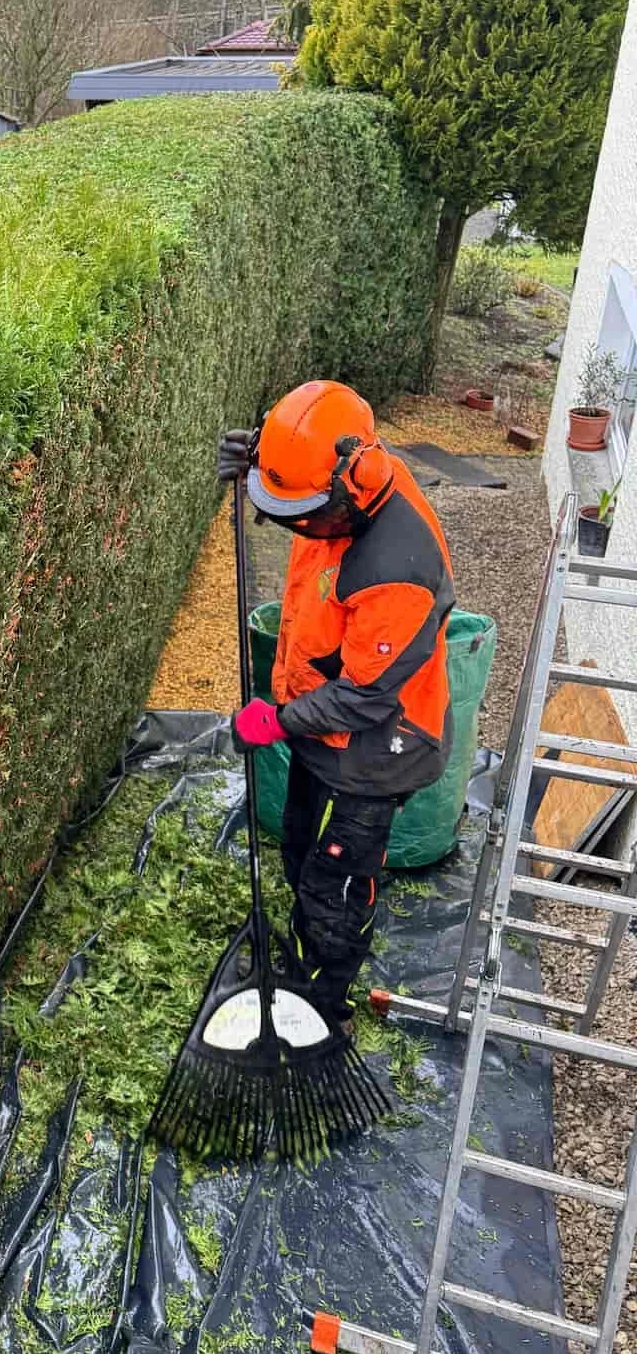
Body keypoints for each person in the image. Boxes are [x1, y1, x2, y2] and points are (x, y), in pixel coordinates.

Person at [218, 379, 454, 1026]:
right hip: (322, 724)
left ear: (354, 480)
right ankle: (301, 950)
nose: (299, 528)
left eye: (304, 514)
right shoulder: (340, 489)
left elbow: (365, 697)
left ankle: (323, 1004)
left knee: (334, 878)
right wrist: (261, 468)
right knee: (298, 843)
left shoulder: (397, 567)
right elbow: (301, 465)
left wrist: (279, 720)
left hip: (379, 745)